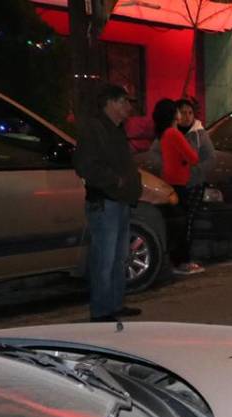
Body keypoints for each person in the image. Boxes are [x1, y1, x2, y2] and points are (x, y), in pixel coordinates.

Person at [74, 83, 143, 322]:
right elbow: (85, 166)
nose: (128, 107)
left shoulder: (114, 129)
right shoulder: (95, 129)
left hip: (119, 200)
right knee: (104, 258)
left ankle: (114, 303)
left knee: (119, 257)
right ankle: (101, 310)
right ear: (110, 103)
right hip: (105, 201)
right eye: (124, 101)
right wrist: (116, 181)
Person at [154, 99, 204, 275]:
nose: (181, 114)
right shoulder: (174, 134)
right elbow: (194, 157)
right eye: (178, 111)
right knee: (182, 225)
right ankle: (182, 262)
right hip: (179, 183)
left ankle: (176, 260)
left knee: (176, 224)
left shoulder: (164, 134)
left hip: (170, 180)